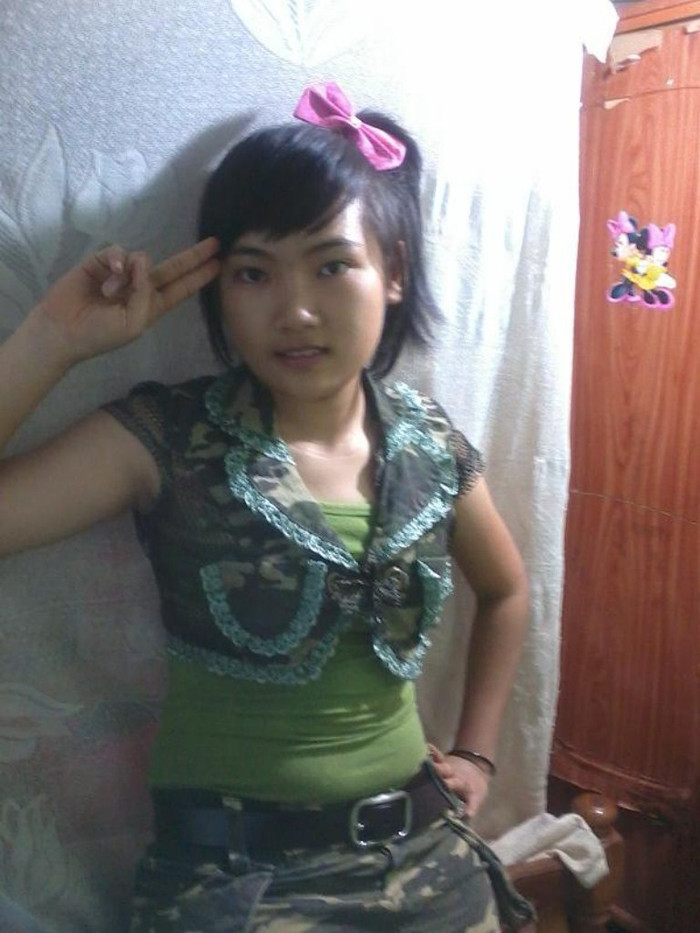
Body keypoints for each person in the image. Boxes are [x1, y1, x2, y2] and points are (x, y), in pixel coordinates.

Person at [0, 82, 535, 932]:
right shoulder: (169, 438)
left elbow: (506, 590)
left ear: (394, 272)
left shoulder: (431, 446)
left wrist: (477, 751)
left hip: (428, 863)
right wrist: (53, 341)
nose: (295, 310)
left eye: (332, 264)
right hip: (234, 885)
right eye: (254, 272)